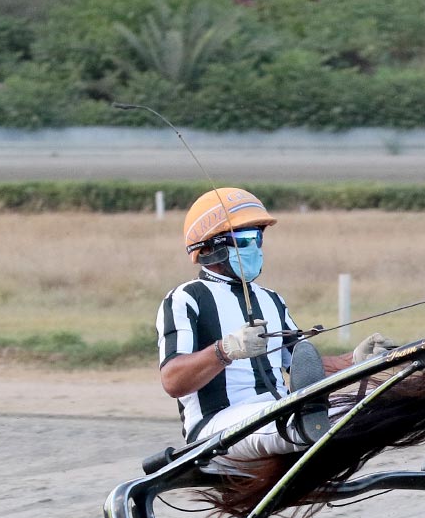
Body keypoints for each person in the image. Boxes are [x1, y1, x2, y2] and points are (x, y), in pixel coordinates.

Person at [157, 187, 393, 462]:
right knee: (306, 421)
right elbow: (172, 380)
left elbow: (304, 369)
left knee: (367, 411)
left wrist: (355, 360)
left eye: (259, 238)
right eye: (245, 239)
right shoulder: (186, 297)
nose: (255, 247)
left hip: (278, 412)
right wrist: (226, 350)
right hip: (215, 428)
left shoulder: (271, 299)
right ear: (210, 247)